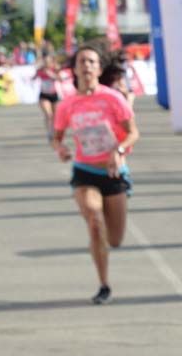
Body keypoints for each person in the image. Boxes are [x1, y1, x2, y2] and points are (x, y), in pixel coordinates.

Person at [52, 44, 139, 305]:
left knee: (115, 239)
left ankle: (104, 252)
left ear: (99, 69)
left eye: (92, 61)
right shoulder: (67, 104)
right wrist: (61, 148)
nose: (87, 66)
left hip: (113, 172)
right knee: (94, 220)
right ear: (75, 69)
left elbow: (133, 132)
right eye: (82, 61)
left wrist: (120, 149)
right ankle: (103, 284)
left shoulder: (113, 98)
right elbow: (56, 137)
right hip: (85, 170)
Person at [36, 53, 61, 140]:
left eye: (48, 61)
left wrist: (51, 74)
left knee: (55, 116)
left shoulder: (55, 69)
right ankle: (49, 132)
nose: (46, 63)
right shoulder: (40, 70)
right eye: (45, 61)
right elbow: (32, 78)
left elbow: (60, 79)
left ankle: (54, 130)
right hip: (44, 95)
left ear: (51, 62)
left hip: (54, 95)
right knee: (48, 114)